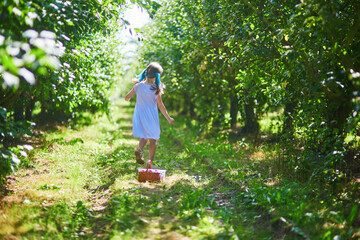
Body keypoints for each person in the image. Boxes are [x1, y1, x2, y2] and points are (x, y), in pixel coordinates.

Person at [125, 62, 174, 165]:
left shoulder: (138, 86)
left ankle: (140, 150)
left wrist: (128, 100)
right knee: (153, 139)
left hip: (140, 115)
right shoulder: (155, 88)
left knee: (144, 135)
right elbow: (161, 105)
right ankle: (150, 161)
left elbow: (127, 96)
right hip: (151, 116)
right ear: (157, 76)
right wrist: (168, 118)